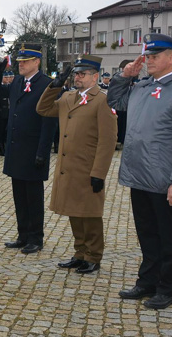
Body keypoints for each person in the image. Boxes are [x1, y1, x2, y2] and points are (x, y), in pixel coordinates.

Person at [106, 33, 172, 310]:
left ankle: (167, 287)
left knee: (167, 235)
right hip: (139, 173)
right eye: (147, 56)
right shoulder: (142, 86)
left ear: (171, 58)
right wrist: (124, 76)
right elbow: (114, 102)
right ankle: (147, 280)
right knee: (146, 232)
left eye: (154, 56)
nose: (148, 60)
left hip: (163, 178)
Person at [37, 55, 117, 274]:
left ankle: (93, 255)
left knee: (90, 213)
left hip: (88, 168)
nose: (77, 77)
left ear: (95, 77)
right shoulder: (68, 97)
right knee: (74, 211)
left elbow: (108, 140)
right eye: (76, 74)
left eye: (82, 74)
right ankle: (80, 253)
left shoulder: (102, 100)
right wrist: (54, 85)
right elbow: (42, 109)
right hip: (68, 167)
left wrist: (99, 173)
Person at [0, 45, 57, 254]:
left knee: (33, 197)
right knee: (19, 196)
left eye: (25, 61)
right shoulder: (16, 81)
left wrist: (43, 151)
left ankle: (36, 237)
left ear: (36, 62)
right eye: (19, 62)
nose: (21, 65)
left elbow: (49, 122)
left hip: (33, 149)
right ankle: (23, 235)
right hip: (16, 148)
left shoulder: (46, 84)